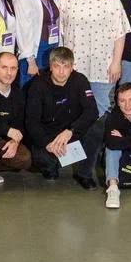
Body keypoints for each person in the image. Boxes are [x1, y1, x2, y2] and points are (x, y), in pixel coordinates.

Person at [57, 0, 131, 113]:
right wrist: (63, 65)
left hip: (104, 66)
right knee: (75, 109)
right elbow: (60, 34)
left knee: (103, 109)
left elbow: (120, 31)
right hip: (75, 66)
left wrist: (116, 62)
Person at [25, 47, 103, 189]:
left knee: (96, 128)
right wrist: (47, 143)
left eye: (66, 66)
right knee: (41, 159)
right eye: (57, 66)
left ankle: (84, 174)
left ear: (72, 67)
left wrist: (71, 131)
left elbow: (92, 111)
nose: (61, 72)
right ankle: (50, 167)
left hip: (71, 135)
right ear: (50, 67)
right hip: (49, 138)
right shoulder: (37, 85)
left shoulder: (80, 80)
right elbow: (31, 122)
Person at [12, 0, 61, 84]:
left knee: (47, 89)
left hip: (52, 48)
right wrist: (30, 60)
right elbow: (22, 28)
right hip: (34, 51)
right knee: (32, 88)